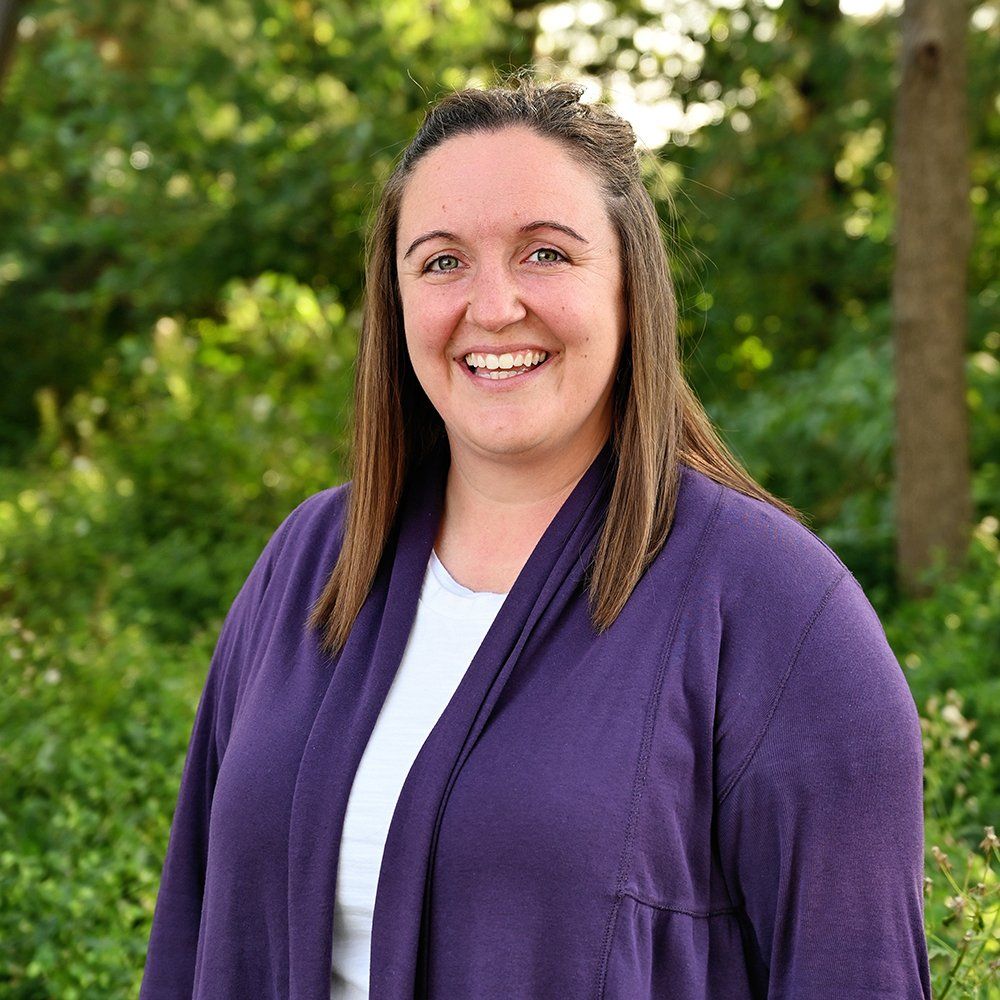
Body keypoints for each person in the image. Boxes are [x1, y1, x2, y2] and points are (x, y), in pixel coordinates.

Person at [139, 80, 932, 999]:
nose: (493, 305)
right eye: (440, 263)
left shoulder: (780, 613)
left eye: (545, 253)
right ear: (396, 304)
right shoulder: (311, 562)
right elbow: (191, 938)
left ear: (632, 288)